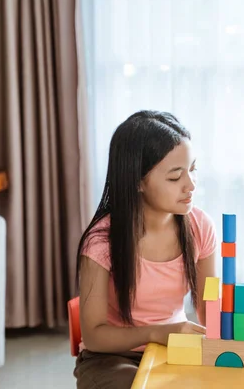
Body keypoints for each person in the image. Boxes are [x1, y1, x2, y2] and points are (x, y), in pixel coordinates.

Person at [73, 110, 217, 389]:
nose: (191, 185)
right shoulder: (102, 240)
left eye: (193, 169)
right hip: (111, 357)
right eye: (175, 177)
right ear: (138, 182)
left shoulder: (200, 226)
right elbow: (93, 336)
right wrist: (157, 332)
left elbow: (208, 310)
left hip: (174, 349)